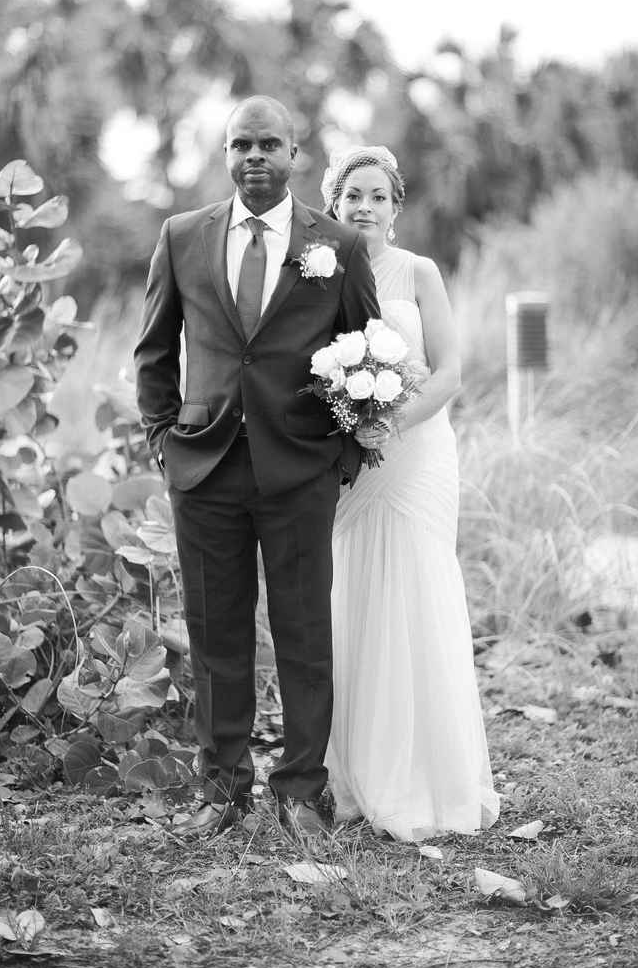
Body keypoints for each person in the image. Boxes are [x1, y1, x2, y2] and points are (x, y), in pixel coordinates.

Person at [134, 98, 379, 838]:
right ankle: (223, 788)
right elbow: (153, 349)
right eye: (241, 144)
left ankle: (302, 791)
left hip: (298, 470)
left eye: (269, 144)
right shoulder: (181, 237)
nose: (255, 157)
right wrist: (163, 439)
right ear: (226, 154)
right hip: (205, 469)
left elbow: (369, 351)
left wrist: (342, 453)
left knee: (304, 632)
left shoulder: (334, 244)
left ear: (295, 154)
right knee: (216, 635)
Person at [322, 145, 500, 842]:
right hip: (351, 464)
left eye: (376, 195)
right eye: (350, 195)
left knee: (421, 590)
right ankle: (357, 771)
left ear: (396, 206)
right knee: (357, 594)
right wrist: (350, 426)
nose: (362, 206)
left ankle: (431, 773)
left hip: (417, 453)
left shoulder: (419, 272)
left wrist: (387, 422)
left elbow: (451, 372)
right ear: (334, 206)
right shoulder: (321, 274)